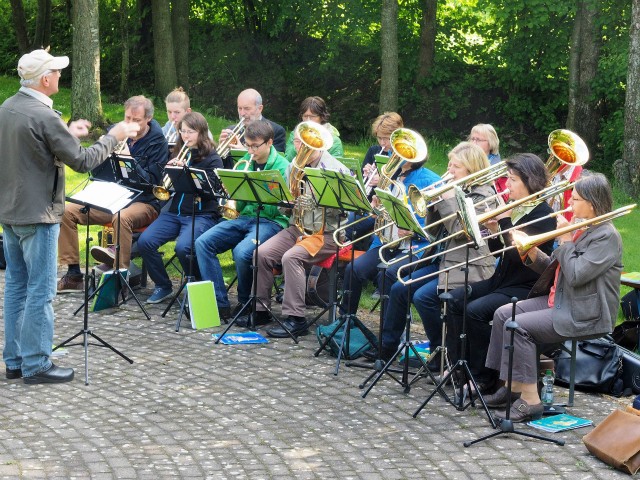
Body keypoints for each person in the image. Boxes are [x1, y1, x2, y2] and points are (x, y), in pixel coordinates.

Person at [0, 49, 139, 384]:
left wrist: (68, 132)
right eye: (57, 72)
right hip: (39, 214)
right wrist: (114, 136)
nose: (61, 75)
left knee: (17, 286)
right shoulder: (43, 116)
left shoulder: (8, 107)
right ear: (45, 79)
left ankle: (15, 361)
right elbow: (83, 161)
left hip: (11, 212)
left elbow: (33, 148)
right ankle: (36, 364)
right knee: (41, 290)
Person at [483, 172, 622, 422]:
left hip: (583, 312)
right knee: (504, 313)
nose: (569, 203)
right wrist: (532, 252)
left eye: (575, 199)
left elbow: (578, 274)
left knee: (519, 327)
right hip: (560, 299)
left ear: (592, 203)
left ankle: (531, 401)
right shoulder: (582, 226)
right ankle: (510, 386)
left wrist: (566, 241)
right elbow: (558, 267)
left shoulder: (607, 235)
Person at [376, 142, 499, 364]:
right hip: (441, 258)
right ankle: (386, 348)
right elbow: (434, 232)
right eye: (450, 164)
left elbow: (461, 234)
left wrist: (448, 199)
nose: (449, 170)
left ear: (471, 169)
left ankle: (441, 351)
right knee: (398, 288)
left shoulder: (484, 197)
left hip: (467, 266)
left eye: (456, 167)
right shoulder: (454, 190)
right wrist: (432, 204)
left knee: (423, 297)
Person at [444, 153, 557, 393]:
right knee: (454, 300)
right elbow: (500, 253)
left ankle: (484, 377)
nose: (507, 185)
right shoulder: (514, 209)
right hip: (501, 280)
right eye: (507, 178)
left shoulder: (543, 215)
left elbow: (520, 255)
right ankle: (458, 367)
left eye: (512, 179)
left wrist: (504, 223)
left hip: (524, 287)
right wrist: (494, 231)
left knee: (475, 311)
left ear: (529, 181)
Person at [238, 124, 348, 337]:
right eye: (297, 142)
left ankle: (296, 319)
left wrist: (316, 201)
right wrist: (288, 202)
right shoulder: (294, 167)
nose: (299, 148)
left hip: (325, 233)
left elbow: (344, 211)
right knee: (261, 254)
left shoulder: (334, 170)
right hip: (297, 228)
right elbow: (282, 205)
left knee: (291, 257)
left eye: (302, 143)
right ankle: (261, 310)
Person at [57, 95, 169, 292]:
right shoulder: (115, 133)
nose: (130, 125)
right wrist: (103, 153)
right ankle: (74, 274)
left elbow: (152, 183)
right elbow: (96, 173)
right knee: (66, 210)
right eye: (127, 119)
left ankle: (120, 277)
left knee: (122, 217)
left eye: (137, 120)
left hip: (144, 202)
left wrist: (128, 159)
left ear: (148, 119)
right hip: (113, 198)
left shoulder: (158, 142)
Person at [195, 120, 290, 320]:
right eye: (248, 145)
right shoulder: (247, 160)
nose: (251, 150)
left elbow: (282, 208)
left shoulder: (282, 167)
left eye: (256, 146)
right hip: (245, 217)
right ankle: (219, 303)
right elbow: (239, 203)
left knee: (242, 252)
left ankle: (245, 301)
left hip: (271, 222)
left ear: (269, 142)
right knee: (203, 242)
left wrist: (257, 192)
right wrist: (233, 189)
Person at [339, 140, 440, 323]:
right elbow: (381, 215)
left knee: (388, 274)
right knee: (353, 269)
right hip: (386, 241)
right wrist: (376, 208)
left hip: (415, 246)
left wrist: (413, 229)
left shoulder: (430, 181)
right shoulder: (391, 176)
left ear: (411, 159)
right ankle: (346, 322)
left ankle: (388, 335)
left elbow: (435, 223)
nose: (392, 154)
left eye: (398, 152)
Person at [137, 112, 223, 304]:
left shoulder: (213, 159)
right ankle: (163, 285)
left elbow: (212, 193)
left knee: (184, 247)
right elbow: (164, 186)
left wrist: (187, 173)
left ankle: (199, 287)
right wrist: (170, 171)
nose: (185, 136)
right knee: (145, 241)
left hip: (201, 214)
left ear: (201, 132)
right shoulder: (177, 152)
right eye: (183, 131)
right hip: (175, 211)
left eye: (190, 132)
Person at [345, 112, 404, 250]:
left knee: (346, 228)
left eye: (386, 138)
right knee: (340, 221)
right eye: (379, 138)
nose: (382, 143)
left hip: (382, 210)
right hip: (366, 203)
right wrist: (365, 173)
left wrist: (383, 181)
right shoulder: (374, 151)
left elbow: (401, 188)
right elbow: (360, 183)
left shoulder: (404, 158)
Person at [218, 88, 286, 161]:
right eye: (239, 108)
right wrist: (221, 148)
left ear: (260, 108)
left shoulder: (276, 131)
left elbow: (275, 163)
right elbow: (222, 166)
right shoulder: (231, 130)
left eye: (247, 109)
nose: (242, 113)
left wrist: (244, 152)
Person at [283, 96, 343, 161]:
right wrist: (298, 143)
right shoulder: (295, 134)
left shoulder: (334, 140)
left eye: (312, 116)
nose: (308, 120)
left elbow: (336, 166)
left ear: (322, 117)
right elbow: (288, 160)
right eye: (305, 116)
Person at [468, 123, 506, 198]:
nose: (473, 143)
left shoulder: (495, 164)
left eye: (478, 140)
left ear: (491, 142)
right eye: (472, 139)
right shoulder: (466, 157)